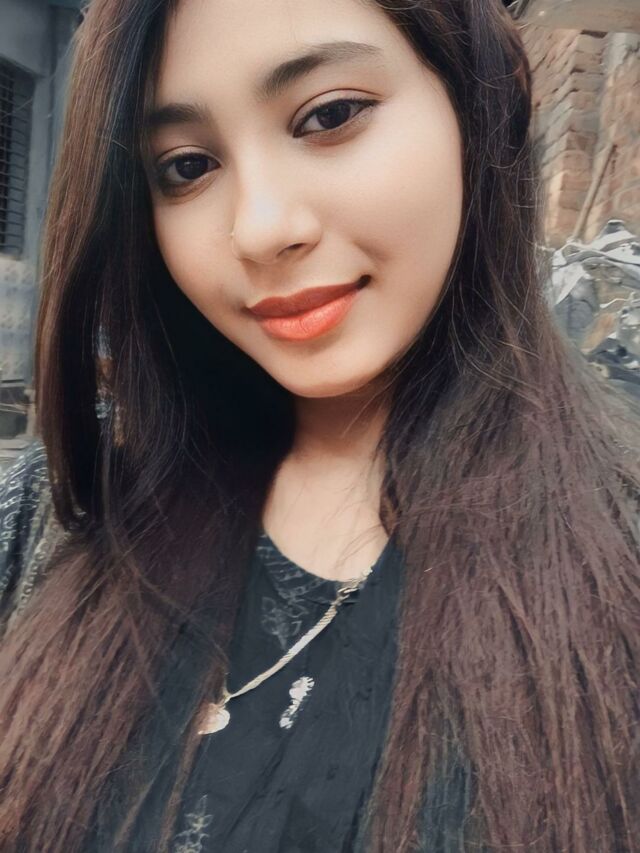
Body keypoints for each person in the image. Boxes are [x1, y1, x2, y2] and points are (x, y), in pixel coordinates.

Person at [0, 0, 639, 850]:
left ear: (485, 97)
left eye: (330, 115)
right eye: (187, 166)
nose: (262, 229)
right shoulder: (59, 514)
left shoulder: (618, 549)